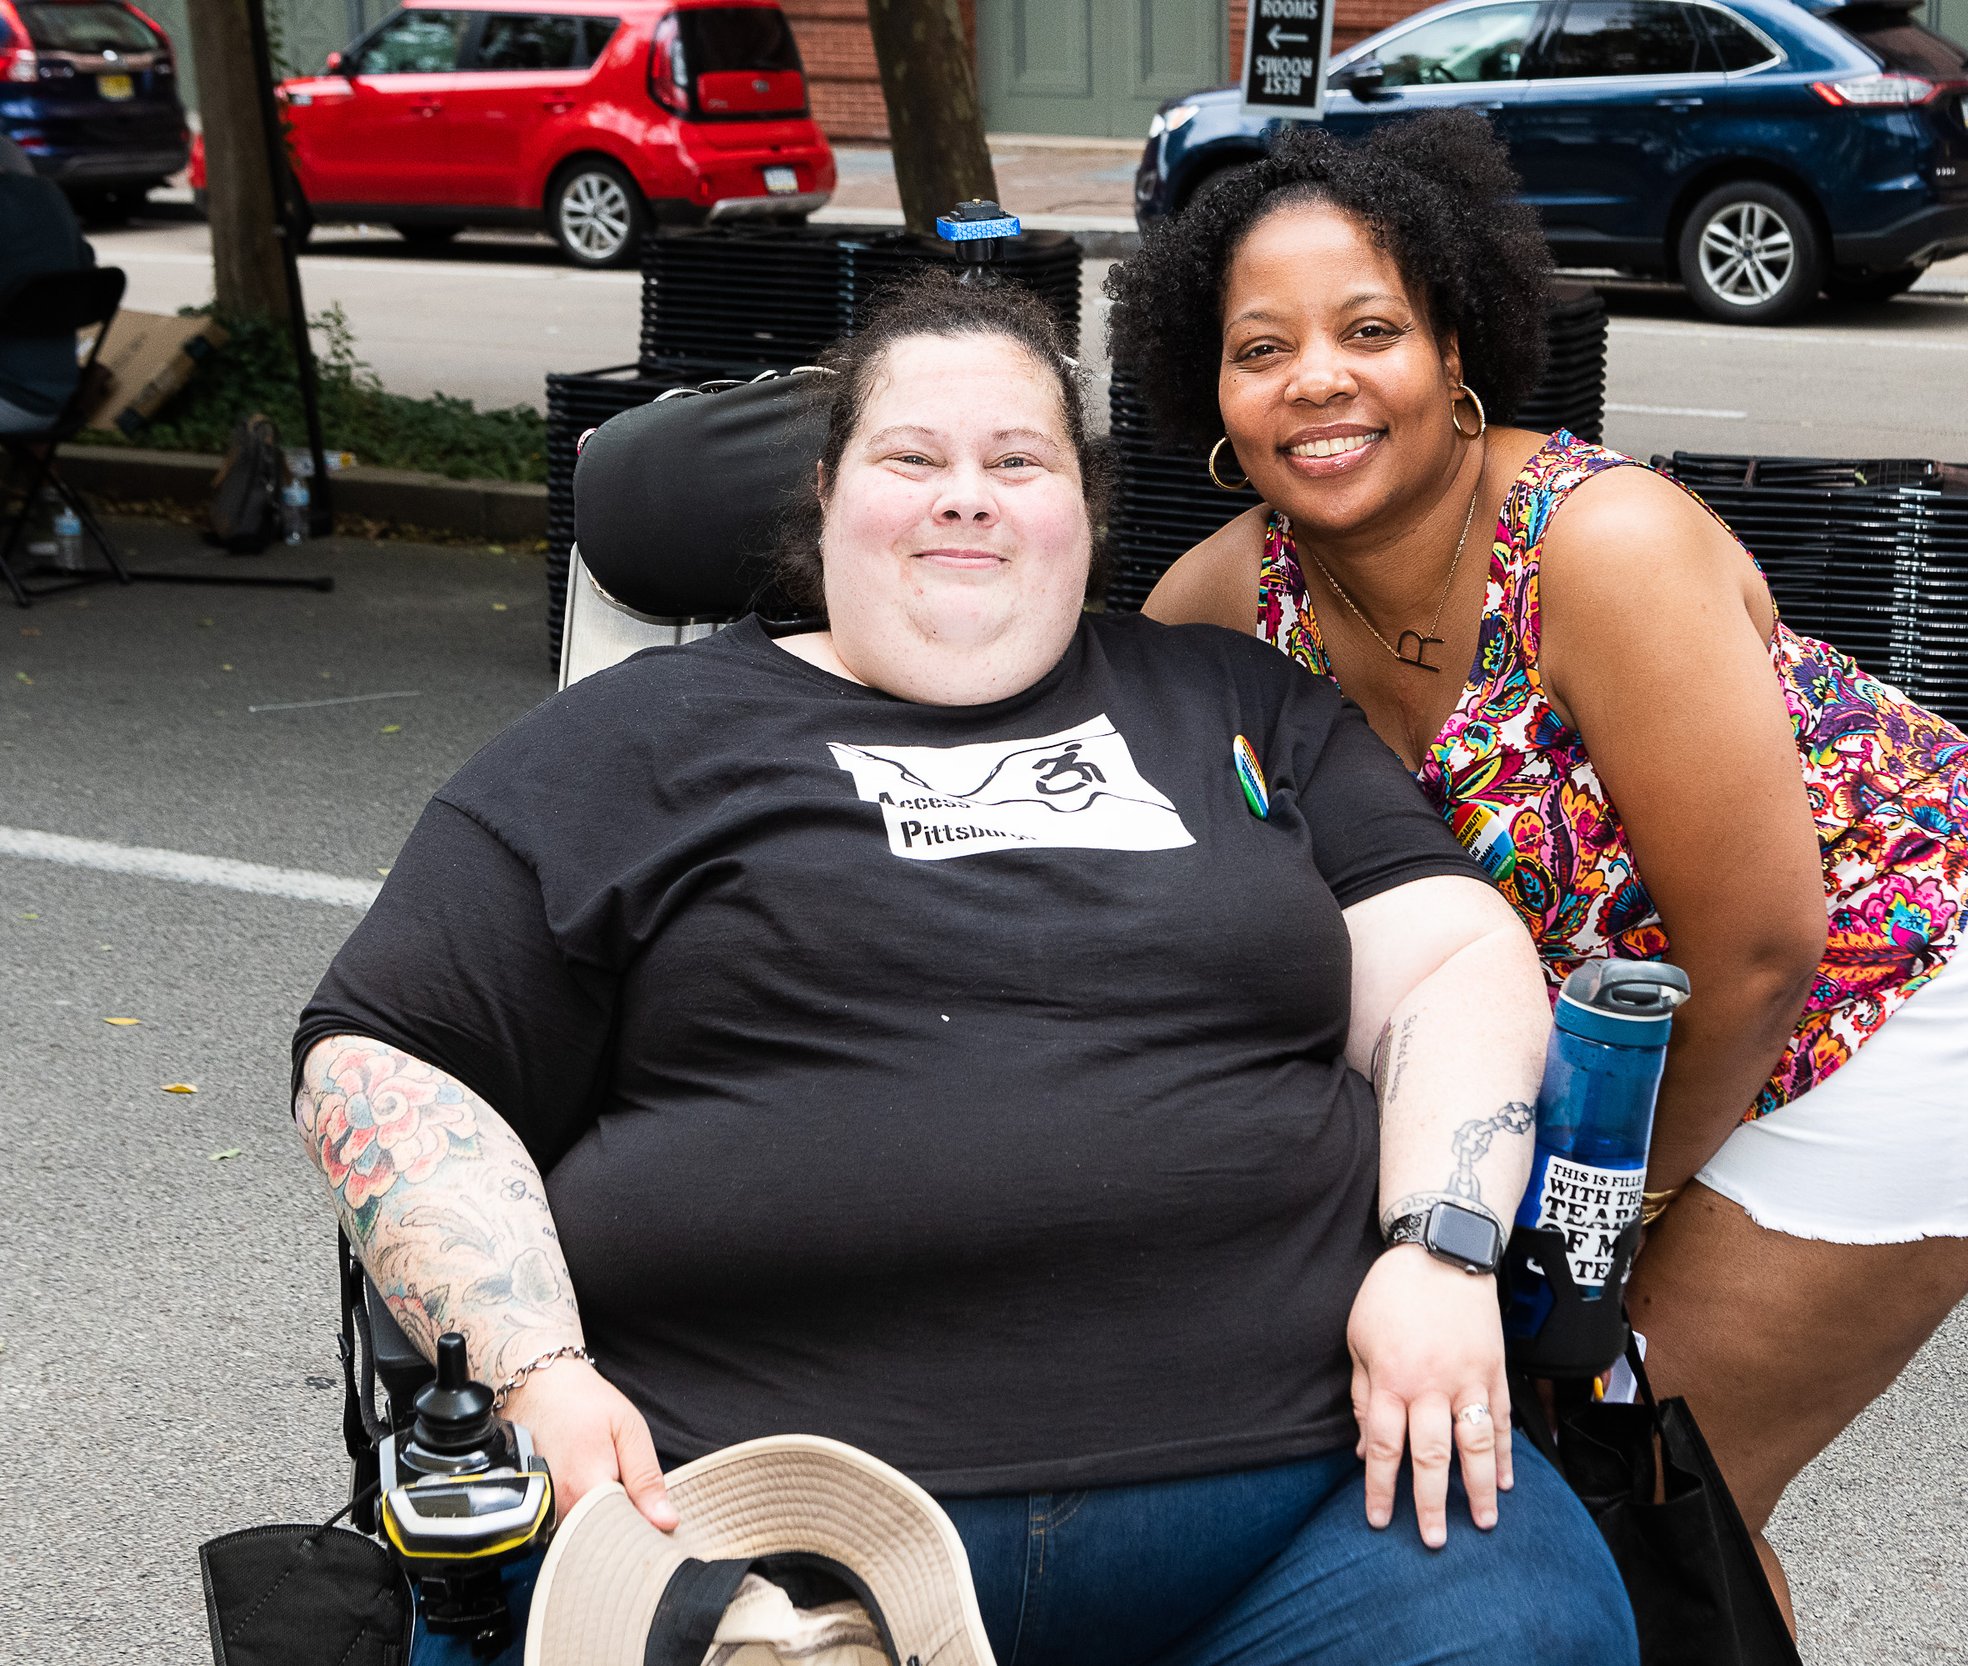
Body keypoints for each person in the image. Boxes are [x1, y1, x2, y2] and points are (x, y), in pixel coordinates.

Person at [291, 271, 1636, 1666]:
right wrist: (537, 1375)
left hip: (1307, 1496)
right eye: (912, 458)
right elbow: (383, 1055)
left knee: (1532, 1633)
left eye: (1018, 460)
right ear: (826, 496)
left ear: (1086, 509)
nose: (966, 495)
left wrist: (1441, 1249)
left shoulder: (1233, 704)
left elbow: (1448, 965)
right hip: (757, 1526)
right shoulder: (624, 748)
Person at [1113, 112, 1968, 1628]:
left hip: (1932, 960)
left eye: (1371, 328)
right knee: (1596, 1473)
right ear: (1211, 386)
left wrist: (1603, 1222)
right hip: (1649, 1029)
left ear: (1458, 345)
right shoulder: (1214, 611)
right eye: (1261, 347)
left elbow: (1763, 943)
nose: (1315, 378)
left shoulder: (1600, 545)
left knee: (1640, 1472)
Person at [0, 136, 95, 434]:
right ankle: (41, 477)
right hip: (62, 396)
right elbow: (85, 265)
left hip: (11, 400)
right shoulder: (50, 194)